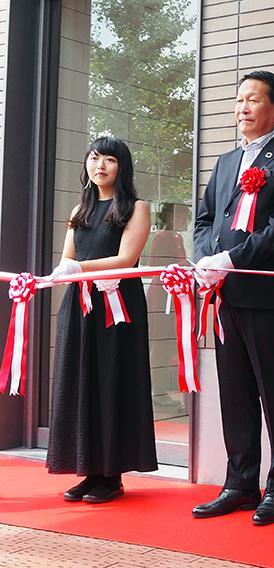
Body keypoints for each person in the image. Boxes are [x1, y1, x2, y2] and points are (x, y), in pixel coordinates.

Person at [192, 70, 274, 526]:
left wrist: (232, 258)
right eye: (238, 99)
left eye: (253, 99)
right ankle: (240, 483)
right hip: (224, 295)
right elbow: (205, 219)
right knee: (235, 393)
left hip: (265, 294)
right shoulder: (225, 162)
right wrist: (207, 258)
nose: (242, 107)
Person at [46, 136, 156, 502]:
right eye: (95, 158)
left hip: (117, 307)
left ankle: (112, 475)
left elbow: (126, 259)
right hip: (80, 305)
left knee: (112, 382)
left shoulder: (137, 207)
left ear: (122, 167)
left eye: (110, 159)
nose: (101, 166)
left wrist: (78, 268)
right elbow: (67, 257)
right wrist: (64, 271)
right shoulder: (80, 209)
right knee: (79, 383)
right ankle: (88, 470)